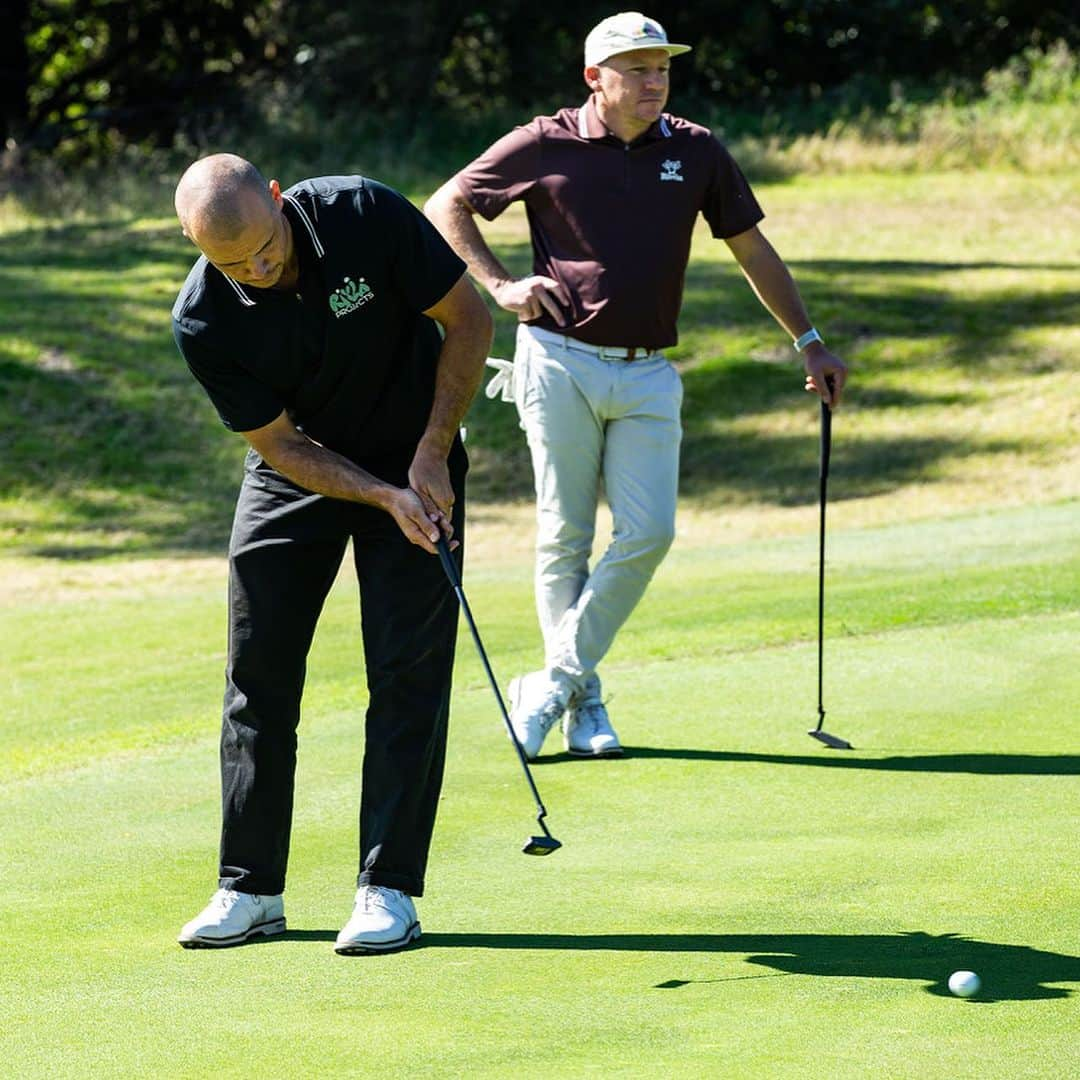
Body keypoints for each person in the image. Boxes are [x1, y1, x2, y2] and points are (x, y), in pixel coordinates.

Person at [425, 11, 848, 761]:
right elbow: (447, 203)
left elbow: (751, 247)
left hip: (649, 370)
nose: (655, 82)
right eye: (637, 70)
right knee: (566, 535)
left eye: (662, 69)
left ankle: (550, 683)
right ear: (596, 78)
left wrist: (808, 340)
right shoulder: (544, 141)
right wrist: (501, 286)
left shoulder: (696, 151)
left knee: (650, 531)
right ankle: (584, 702)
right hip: (557, 360)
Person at [171, 154, 492, 954]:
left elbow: (470, 318)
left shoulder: (361, 213)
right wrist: (376, 495)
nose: (259, 269)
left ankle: (388, 889)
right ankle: (250, 889)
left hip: (415, 454)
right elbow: (277, 441)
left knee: (406, 673)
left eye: (266, 248)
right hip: (297, 471)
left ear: (278, 199)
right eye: (233, 262)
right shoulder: (204, 317)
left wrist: (428, 455)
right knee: (259, 678)